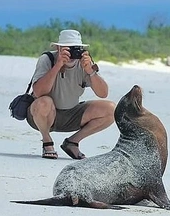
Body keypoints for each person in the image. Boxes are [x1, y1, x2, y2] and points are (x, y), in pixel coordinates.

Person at [27, 29, 116, 159]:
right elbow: (39, 92)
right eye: (68, 48)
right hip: (42, 115)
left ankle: (72, 142)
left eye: (75, 48)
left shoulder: (84, 63)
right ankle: (47, 142)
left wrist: (90, 72)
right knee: (44, 102)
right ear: (58, 48)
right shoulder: (47, 59)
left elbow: (103, 93)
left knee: (111, 109)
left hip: (71, 113)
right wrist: (57, 66)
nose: (72, 53)